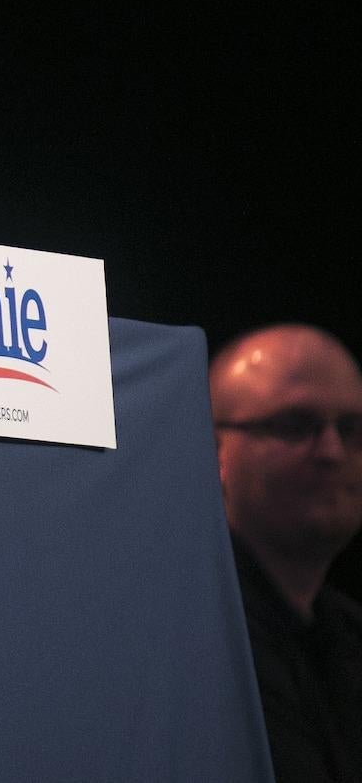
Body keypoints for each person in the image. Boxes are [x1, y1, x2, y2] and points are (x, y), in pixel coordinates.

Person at [210, 322, 362, 783]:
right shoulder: (194, 644)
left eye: (352, 428)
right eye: (295, 426)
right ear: (212, 449)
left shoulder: (347, 633)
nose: (332, 452)